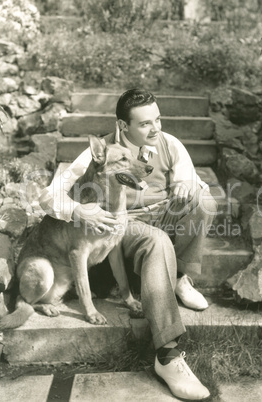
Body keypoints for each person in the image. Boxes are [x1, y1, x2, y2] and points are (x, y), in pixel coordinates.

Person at [40, 88, 217, 401]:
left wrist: (188, 184)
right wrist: (79, 210)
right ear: (123, 126)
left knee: (204, 201)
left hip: (163, 214)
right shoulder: (101, 151)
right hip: (125, 225)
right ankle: (168, 355)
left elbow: (191, 180)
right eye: (146, 124)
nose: (156, 128)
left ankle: (178, 279)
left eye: (158, 119)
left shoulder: (170, 144)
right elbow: (48, 196)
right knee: (157, 240)